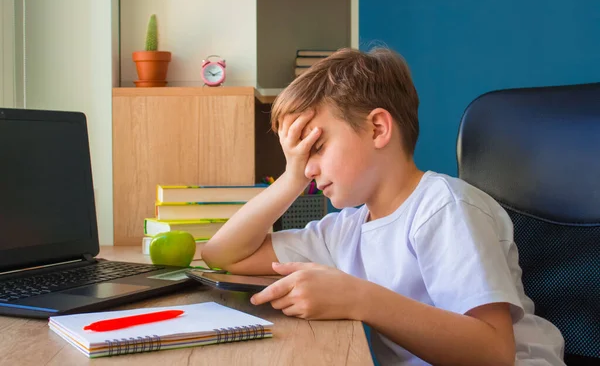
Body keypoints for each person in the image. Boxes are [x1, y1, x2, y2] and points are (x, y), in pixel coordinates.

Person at [201, 48, 565, 366]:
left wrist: (358, 299)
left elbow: (494, 353)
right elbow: (223, 254)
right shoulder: (343, 231)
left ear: (377, 128)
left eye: (316, 147)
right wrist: (291, 178)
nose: (308, 167)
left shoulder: (444, 209)